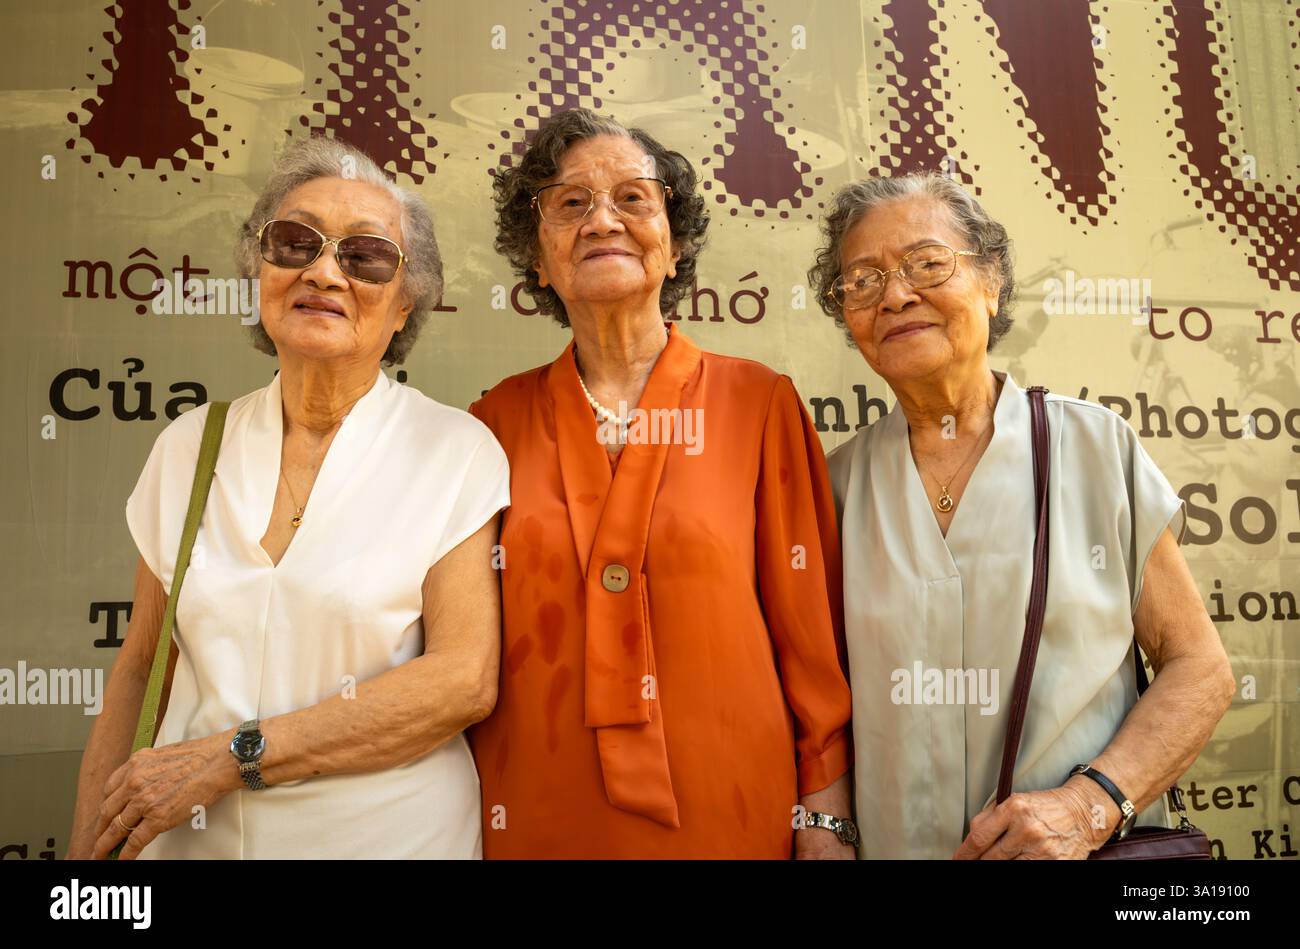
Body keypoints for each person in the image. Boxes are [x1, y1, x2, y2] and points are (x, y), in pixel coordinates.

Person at [67, 135, 509, 859]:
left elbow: (462, 681)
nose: (324, 271)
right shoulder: (188, 446)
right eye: (295, 241)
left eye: (365, 255)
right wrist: (86, 873)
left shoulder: (454, 451)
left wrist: (230, 757)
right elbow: (142, 667)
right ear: (260, 271)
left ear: (405, 306)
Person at [811, 172, 1236, 859]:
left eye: (926, 264)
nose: (894, 295)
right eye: (862, 280)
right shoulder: (831, 487)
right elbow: (813, 706)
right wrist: (825, 828)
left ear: (991, 281)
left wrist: (1091, 804)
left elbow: (1200, 667)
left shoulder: (1094, 448)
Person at [468, 108, 855, 858]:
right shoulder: (491, 423)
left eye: (634, 199)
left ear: (674, 248)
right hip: (536, 816)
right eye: (570, 203)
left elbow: (811, 640)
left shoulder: (758, 403)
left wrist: (826, 817)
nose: (602, 219)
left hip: (736, 813)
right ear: (538, 260)